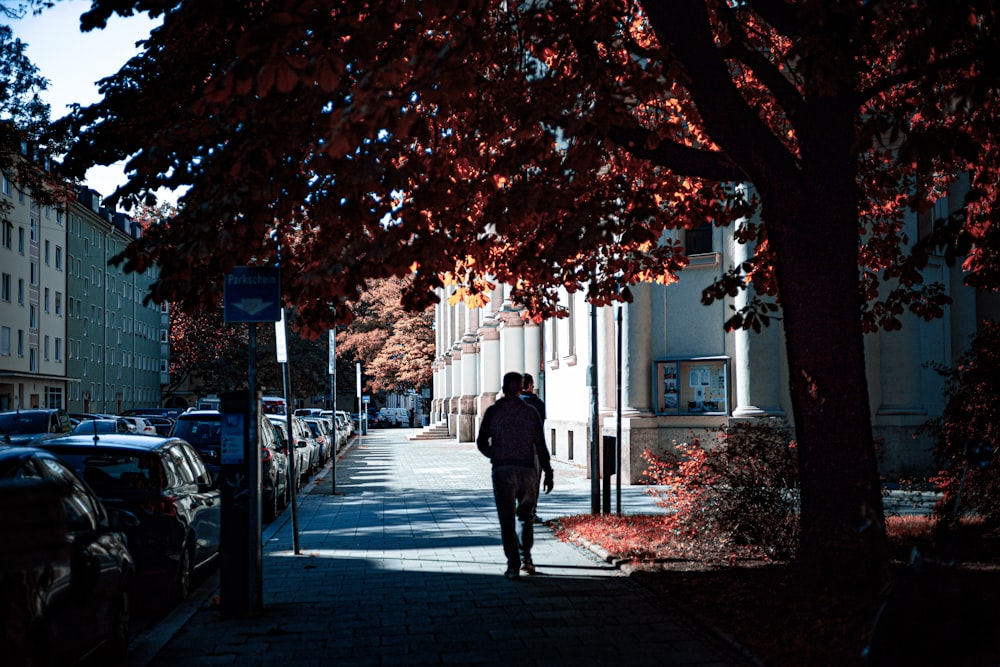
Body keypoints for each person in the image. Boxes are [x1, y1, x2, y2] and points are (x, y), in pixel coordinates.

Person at [476, 371, 554, 579]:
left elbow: (481, 442)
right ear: (522, 389)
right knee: (526, 517)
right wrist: (548, 471)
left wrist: (495, 455)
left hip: (502, 470)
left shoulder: (494, 411)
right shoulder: (530, 413)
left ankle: (513, 564)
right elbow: (540, 444)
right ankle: (526, 557)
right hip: (527, 469)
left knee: (507, 519)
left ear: (502, 389)